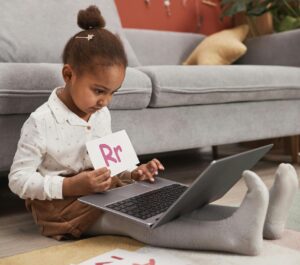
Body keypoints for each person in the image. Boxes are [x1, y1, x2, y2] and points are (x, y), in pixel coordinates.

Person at [8, 5, 298, 256]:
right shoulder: (41, 122)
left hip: (102, 191)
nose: (106, 101)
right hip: (63, 207)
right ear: (69, 75)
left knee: (166, 203)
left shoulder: (100, 113)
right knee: (138, 221)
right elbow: (18, 180)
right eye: (99, 91)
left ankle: (265, 222)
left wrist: (133, 173)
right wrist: (71, 186)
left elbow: (110, 163)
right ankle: (232, 236)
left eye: (113, 93)